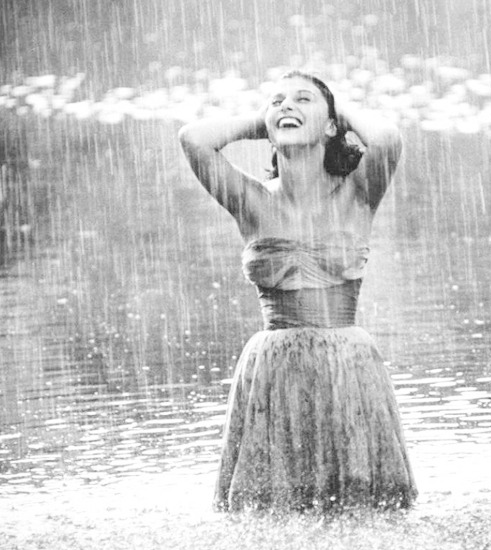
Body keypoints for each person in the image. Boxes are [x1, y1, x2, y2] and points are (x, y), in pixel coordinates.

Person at [178, 70, 417, 512]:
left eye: (302, 99)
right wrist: (268, 119)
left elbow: (387, 138)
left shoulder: (359, 193)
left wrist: (334, 111)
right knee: (270, 511)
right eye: (278, 100)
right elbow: (193, 139)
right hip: (274, 368)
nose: (287, 105)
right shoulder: (249, 200)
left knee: (364, 510)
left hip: (348, 367)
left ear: (332, 127)